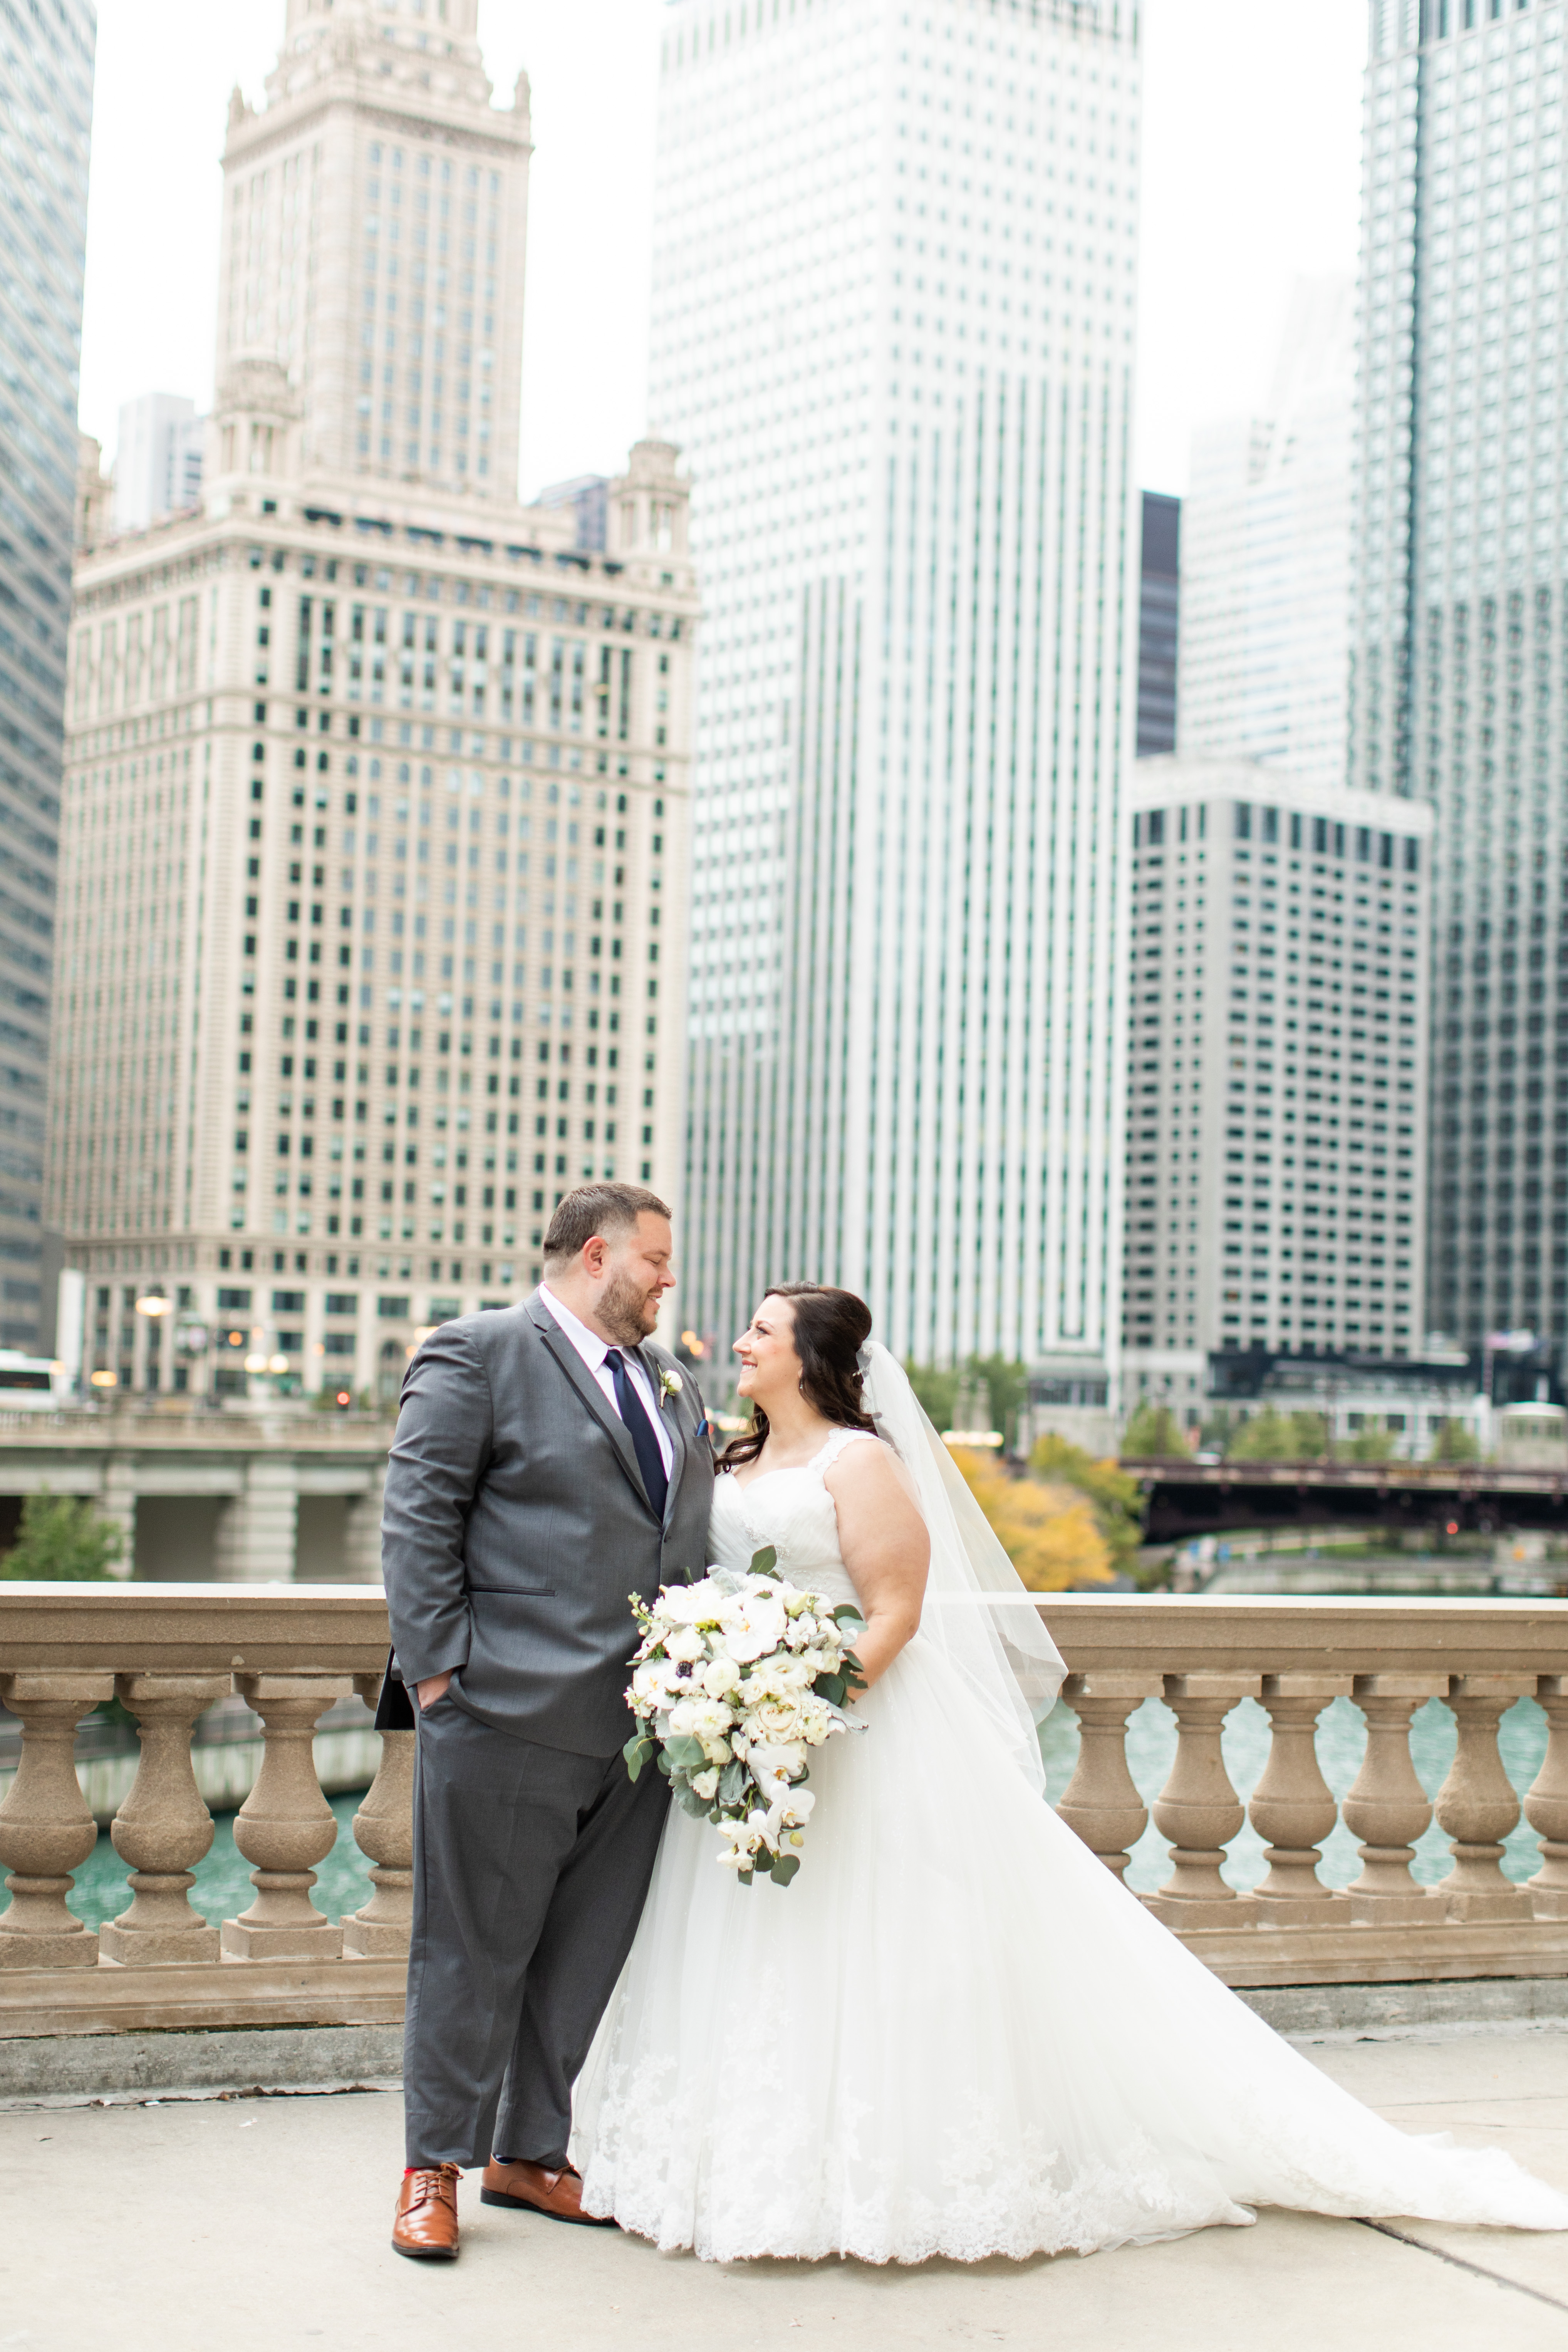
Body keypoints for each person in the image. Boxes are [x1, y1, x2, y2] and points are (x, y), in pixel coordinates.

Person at [570, 1283, 1568, 2263]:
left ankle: (879, 2174)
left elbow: (894, 1614)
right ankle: (735, 2160)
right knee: (749, 1948)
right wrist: (719, 1684)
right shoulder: (730, 1452)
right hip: (743, 1743)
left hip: (849, 1734)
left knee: (874, 1949)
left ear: (812, 1356)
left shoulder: (860, 1462)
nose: (741, 1340)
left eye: (762, 1329)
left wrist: (801, 1710)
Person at [378, 1182, 714, 2261]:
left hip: (645, 1728)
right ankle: (431, 2165)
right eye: (656, 1261)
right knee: (468, 1950)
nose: (669, 1279)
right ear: (596, 1254)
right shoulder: (477, 1352)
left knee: (582, 1953)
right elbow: (419, 1517)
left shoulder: (672, 1382)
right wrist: (442, 1682)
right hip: (502, 1712)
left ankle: (531, 2151)